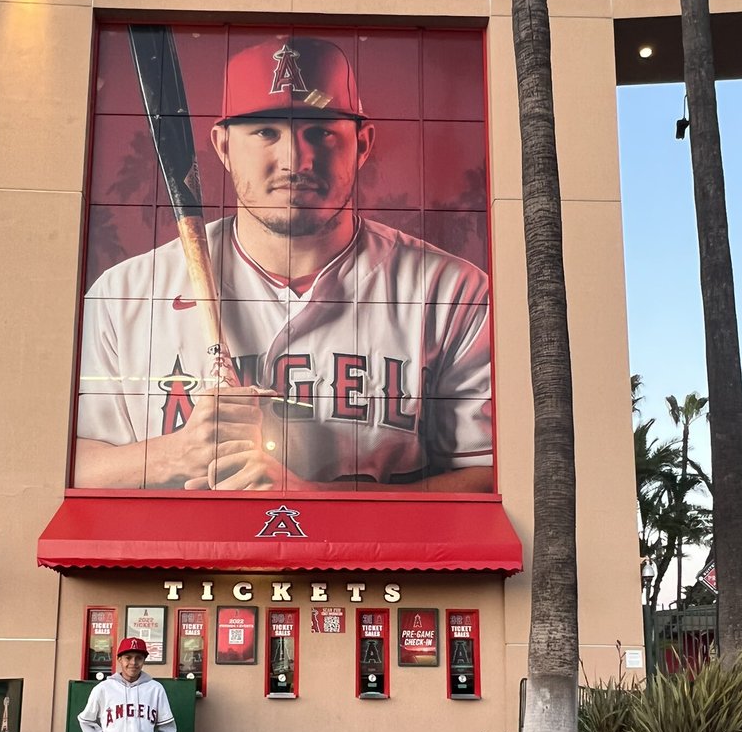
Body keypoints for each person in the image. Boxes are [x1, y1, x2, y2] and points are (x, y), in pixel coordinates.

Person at [76, 34, 492, 494]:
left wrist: (312, 504)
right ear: (223, 146)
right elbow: (71, 465)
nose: (295, 159)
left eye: (321, 132)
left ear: (363, 143)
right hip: (179, 565)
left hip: (367, 568)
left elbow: (488, 477)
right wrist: (171, 456)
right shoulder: (129, 292)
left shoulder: (451, 291)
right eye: (266, 132)